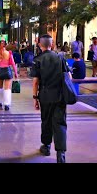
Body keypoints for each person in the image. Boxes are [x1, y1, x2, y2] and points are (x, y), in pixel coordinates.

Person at [30, 34, 68, 163]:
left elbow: (35, 81)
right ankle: (61, 154)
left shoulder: (37, 60)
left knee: (46, 121)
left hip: (45, 96)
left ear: (40, 45)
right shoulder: (60, 58)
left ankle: (46, 147)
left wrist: (35, 98)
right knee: (60, 123)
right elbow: (69, 77)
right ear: (51, 44)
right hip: (60, 96)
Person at [0, 40, 18, 111]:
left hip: (0, 71)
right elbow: (13, 64)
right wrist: (16, 73)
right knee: (7, 89)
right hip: (7, 71)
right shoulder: (9, 53)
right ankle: (6, 104)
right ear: (5, 45)